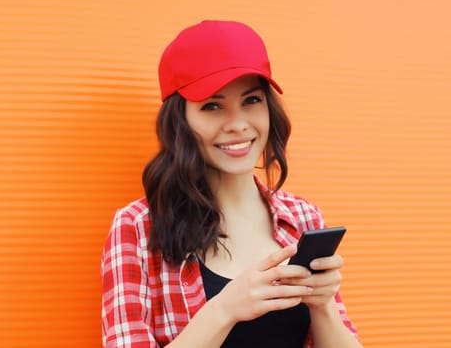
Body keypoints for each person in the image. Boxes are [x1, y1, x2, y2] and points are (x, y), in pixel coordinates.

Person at [101, 20, 360, 348]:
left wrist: (323, 306)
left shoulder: (303, 217)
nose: (237, 124)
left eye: (251, 100)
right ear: (180, 121)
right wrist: (226, 308)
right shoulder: (137, 229)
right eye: (212, 106)